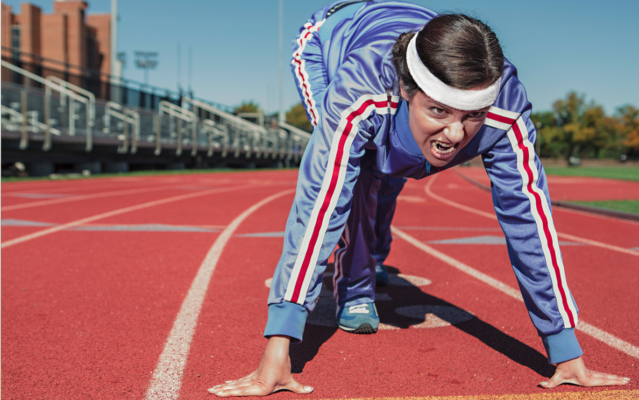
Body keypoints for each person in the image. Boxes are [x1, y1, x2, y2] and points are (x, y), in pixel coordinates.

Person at [209, 1, 630, 396]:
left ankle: (374, 252)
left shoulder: (506, 109)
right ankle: (356, 288)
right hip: (329, 41)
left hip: (407, 44)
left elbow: (530, 223)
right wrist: (279, 348)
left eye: (472, 116)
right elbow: (320, 204)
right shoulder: (361, 91)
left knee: (395, 167)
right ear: (409, 91)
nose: (454, 134)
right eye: (440, 112)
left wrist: (566, 350)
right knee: (356, 176)